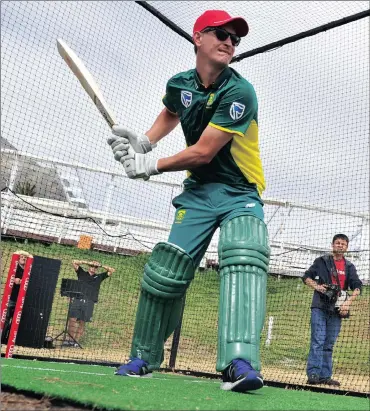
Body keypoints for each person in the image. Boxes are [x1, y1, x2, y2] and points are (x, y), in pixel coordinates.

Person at [108, 10, 270, 392]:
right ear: (198, 37)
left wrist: (150, 163)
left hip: (239, 191)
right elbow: (172, 110)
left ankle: (239, 364)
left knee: (245, 255)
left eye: (235, 38)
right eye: (221, 34)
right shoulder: (180, 83)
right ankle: (143, 357)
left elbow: (203, 152)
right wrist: (145, 140)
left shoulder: (239, 91)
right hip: (198, 193)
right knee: (165, 271)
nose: (230, 42)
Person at [302, 234, 362, 387]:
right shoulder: (321, 261)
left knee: (329, 343)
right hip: (320, 306)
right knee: (318, 341)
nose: (340, 245)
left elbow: (357, 287)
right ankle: (314, 374)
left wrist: (347, 303)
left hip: (337, 309)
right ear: (332, 245)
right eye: (337, 243)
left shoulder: (349, 267)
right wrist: (317, 287)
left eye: (343, 244)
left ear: (346, 247)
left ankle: (325, 376)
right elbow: (306, 277)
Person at [62, 260, 115, 347]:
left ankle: (75, 342)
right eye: (92, 266)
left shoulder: (99, 276)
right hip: (77, 299)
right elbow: (74, 262)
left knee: (82, 322)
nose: (93, 268)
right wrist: (86, 262)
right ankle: (69, 340)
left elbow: (112, 270)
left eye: (95, 267)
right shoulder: (81, 272)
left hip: (89, 302)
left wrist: (100, 265)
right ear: (88, 266)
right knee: (72, 319)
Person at [1, 250, 32, 344]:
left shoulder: (28, 270)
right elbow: (11, 278)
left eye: (25, 257)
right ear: (19, 257)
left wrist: (22, 281)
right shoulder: (14, 266)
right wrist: (15, 279)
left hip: (21, 300)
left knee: (15, 322)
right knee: (5, 319)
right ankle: (1, 339)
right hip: (10, 298)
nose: (23, 258)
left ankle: (8, 340)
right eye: (22, 256)